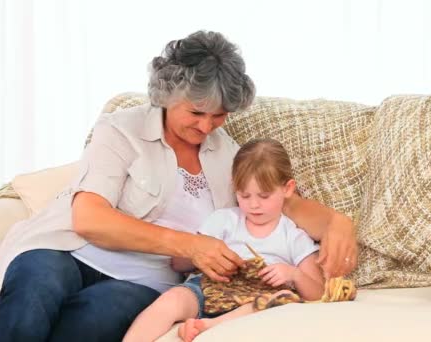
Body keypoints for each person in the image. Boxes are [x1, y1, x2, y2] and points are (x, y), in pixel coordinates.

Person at [0, 30, 357, 342]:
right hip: (66, 250)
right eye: (196, 112)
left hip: (144, 280)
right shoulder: (120, 130)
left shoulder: (229, 156)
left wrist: (339, 223)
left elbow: (283, 204)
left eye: (219, 116)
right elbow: (88, 218)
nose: (206, 127)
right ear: (168, 95)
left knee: (89, 323)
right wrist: (189, 245)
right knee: (34, 292)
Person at [123, 138, 325, 342]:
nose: (254, 205)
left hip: (257, 297)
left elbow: (318, 293)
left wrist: (293, 274)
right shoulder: (223, 220)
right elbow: (178, 264)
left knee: (273, 302)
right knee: (171, 300)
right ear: (234, 187)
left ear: (287, 189)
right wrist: (202, 255)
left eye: (264, 196)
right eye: (244, 196)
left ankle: (207, 325)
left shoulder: (293, 235)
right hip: (208, 289)